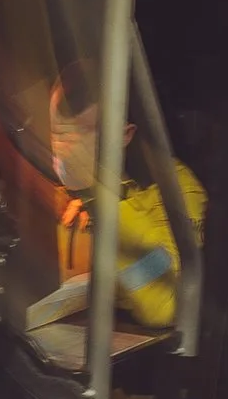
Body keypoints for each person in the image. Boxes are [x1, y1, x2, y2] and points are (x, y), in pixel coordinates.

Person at [47, 69, 205, 334]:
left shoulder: (173, 189)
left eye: (84, 134)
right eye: (59, 136)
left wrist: (97, 198)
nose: (66, 151)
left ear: (125, 134)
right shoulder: (52, 183)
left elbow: (162, 305)